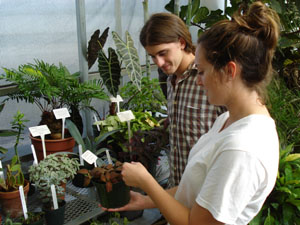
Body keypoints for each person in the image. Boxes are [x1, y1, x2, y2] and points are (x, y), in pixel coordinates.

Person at [104, 2, 281, 225]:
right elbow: (197, 187)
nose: (198, 80)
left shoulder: (242, 149)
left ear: (229, 71)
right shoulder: (226, 121)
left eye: (203, 72)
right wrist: (146, 201)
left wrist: (147, 181)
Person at [140, 12, 224, 187]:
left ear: (181, 42)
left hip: (206, 191)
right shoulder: (169, 79)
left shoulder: (210, 78)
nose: (159, 62)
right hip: (177, 185)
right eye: (153, 56)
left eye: (163, 53)